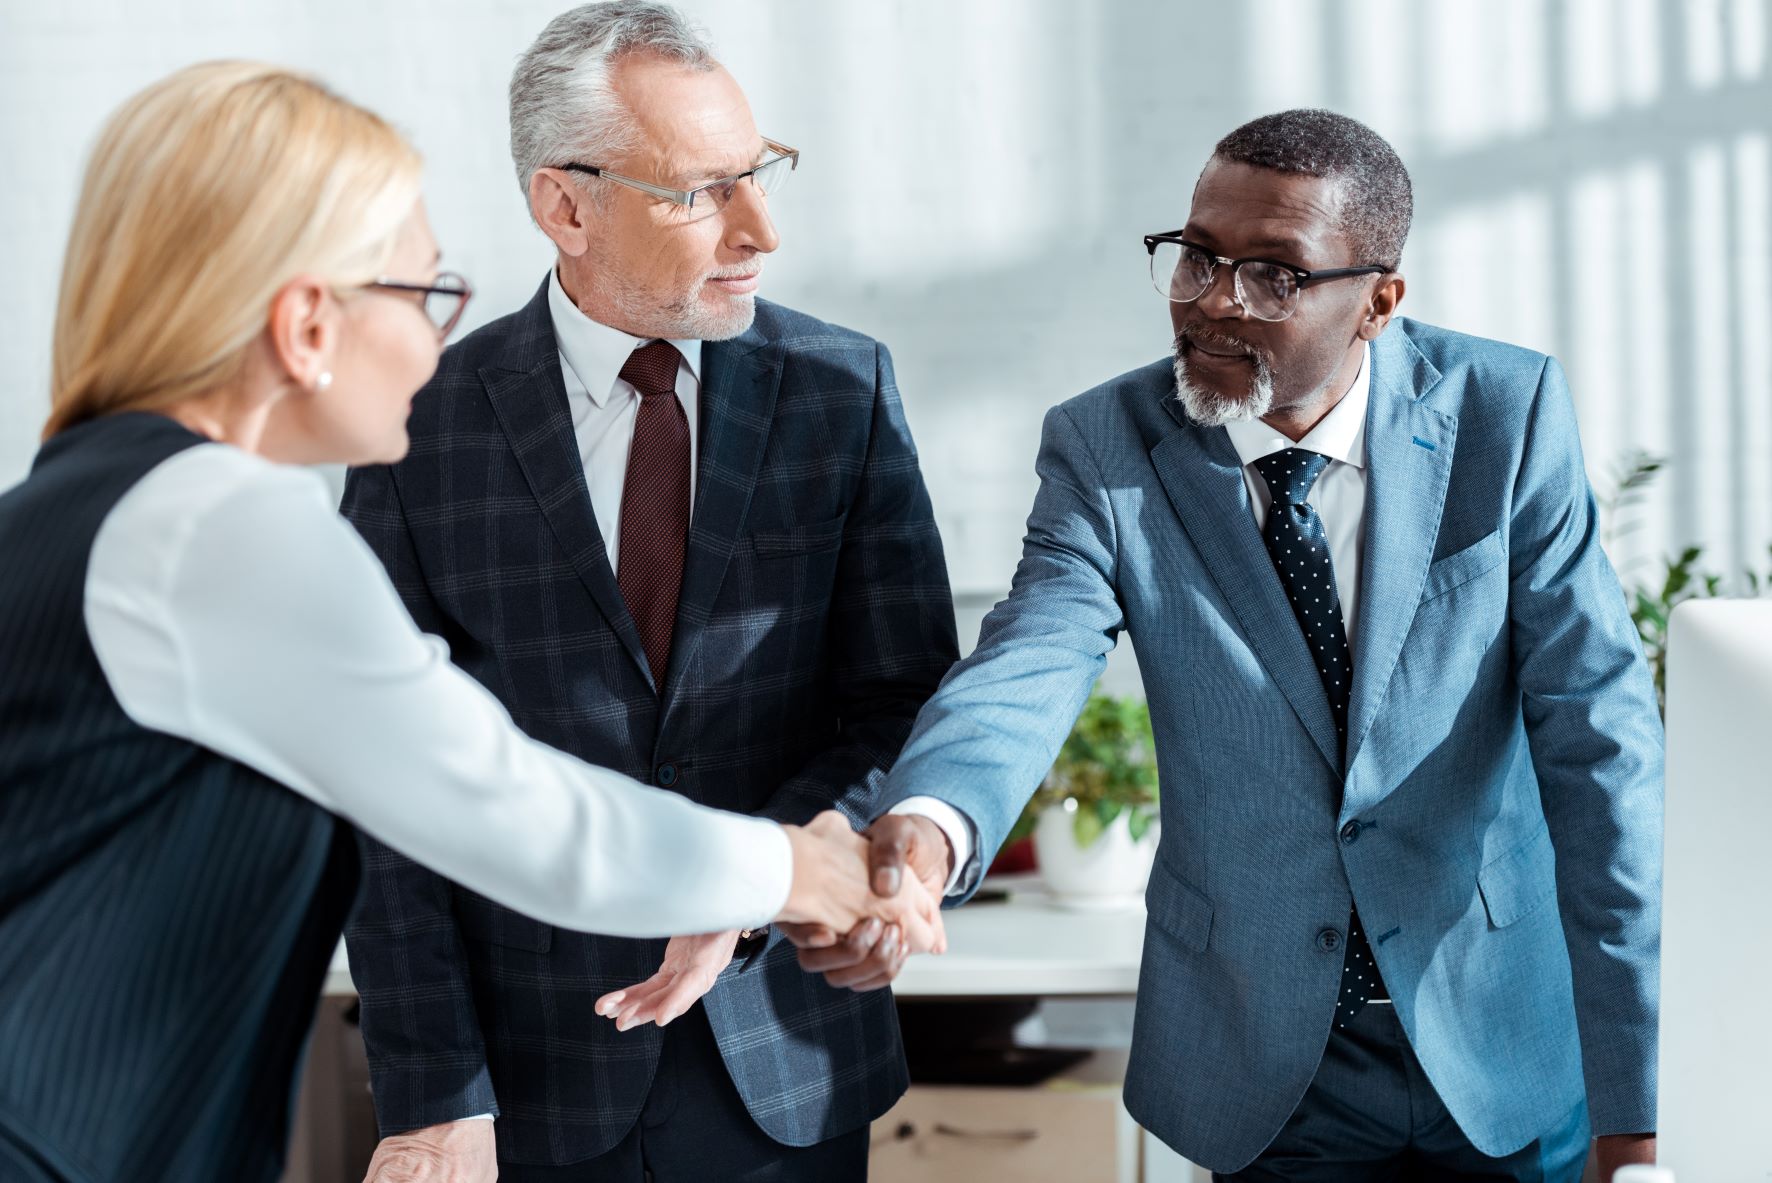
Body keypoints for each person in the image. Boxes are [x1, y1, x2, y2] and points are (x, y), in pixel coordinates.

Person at [0, 60, 938, 1183]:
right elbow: (517, 813)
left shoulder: (80, 503)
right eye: (421, 293)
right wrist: (796, 869)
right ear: (306, 325)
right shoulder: (224, 529)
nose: (434, 338)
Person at [796, 109, 1664, 1181]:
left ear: (1377, 303)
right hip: (1271, 1061)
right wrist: (925, 833)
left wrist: (1637, 1113)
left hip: (1502, 1033)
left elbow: (1600, 745)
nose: (1212, 299)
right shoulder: (1104, 446)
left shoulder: (1504, 415)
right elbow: (1028, 657)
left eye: (1272, 275)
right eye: (1196, 256)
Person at [340, 4, 958, 1181]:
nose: (759, 229)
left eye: (760, 173)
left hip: (784, 1056)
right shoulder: (413, 420)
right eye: (700, 191)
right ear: (564, 206)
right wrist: (432, 1094)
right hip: (521, 1086)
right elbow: (383, 784)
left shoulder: (840, 388)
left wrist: (758, 870)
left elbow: (903, 702)